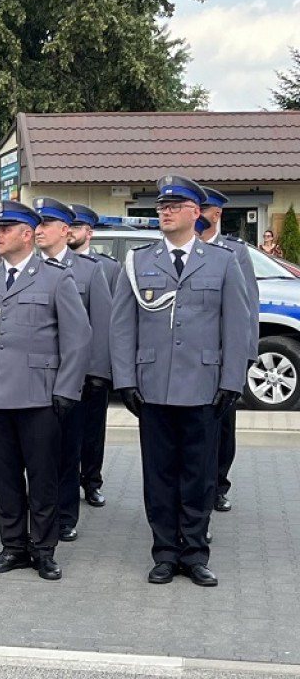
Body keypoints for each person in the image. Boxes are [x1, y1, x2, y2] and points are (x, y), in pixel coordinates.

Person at [110, 175, 249, 587]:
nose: (165, 211)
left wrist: (231, 381)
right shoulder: (139, 262)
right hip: (153, 385)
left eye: (175, 205)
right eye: (161, 206)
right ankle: (165, 552)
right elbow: (122, 326)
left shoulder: (223, 261)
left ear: (196, 212)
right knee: (160, 473)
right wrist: (125, 380)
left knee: (200, 474)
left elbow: (236, 325)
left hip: (203, 387)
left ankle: (195, 552)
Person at [0, 200, 90, 581]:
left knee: (43, 476)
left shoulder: (55, 277)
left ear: (27, 234)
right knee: (5, 476)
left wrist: (66, 390)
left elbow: (78, 339)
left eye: (5, 229)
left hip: (39, 395)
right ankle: (13, 545)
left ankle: (44, 548)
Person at [32, 197, 113, 543]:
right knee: (38, 454)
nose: (38, 231)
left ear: (64, 231)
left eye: (45, 225)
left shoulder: (89, 270)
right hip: (34, 379)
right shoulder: (27, 268)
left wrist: (96, 375)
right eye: (36, 224)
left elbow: (100, 325)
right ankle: (38, 512)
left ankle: (65, 516)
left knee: (68, 452)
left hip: (72, 380)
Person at [197, 187, 260, 514]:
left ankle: (219, 484)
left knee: (223, 428)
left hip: (224, 358)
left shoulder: (235, 252)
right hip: (193, 361)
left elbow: (249, 307)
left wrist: (245, 357)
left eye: (202, 209)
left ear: (216, 214)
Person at [67, 203, 121, 508]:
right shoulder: (46, 264)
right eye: (68, 226)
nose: (71, 232)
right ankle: (66, 482)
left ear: (89, 232)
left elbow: (109, 321)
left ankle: (92, 481)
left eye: (77, 227)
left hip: (91, 367)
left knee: (92, 430)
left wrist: (103, 370)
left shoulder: (108, 268)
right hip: (61, 368)